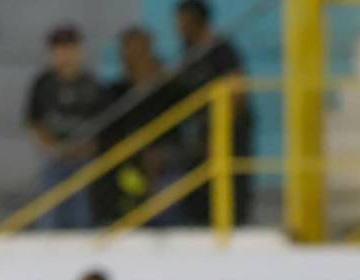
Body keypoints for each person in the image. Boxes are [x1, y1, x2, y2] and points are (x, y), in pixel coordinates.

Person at [95, 26, 189, 225]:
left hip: (166, 159)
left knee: (169, 182)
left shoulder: (169, 88)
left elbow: (184, 124)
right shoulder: (116, 92)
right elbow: (108, 134)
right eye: (129, 51)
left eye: (139, 50)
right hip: (128, 162)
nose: (134, 56)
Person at [174, 0, 254, 226]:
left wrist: (220, 134)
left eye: (183, 22)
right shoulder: (188, 52)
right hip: (201, 134)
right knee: (199, 194)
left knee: (230, 189)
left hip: (228, 134)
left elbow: (237, 92)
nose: (179, 28)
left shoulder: (222, 51)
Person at [25, 24, 107, 229]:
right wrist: (56, 148)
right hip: (53, 157)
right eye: (59, 48)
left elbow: (102, 124)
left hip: (83, 158)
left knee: (81, 209)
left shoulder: (91, 84)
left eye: (70, 48)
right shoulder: (43, 83)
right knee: (50, 206)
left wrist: (83, 149)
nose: (65, 54)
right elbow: (34, 122)